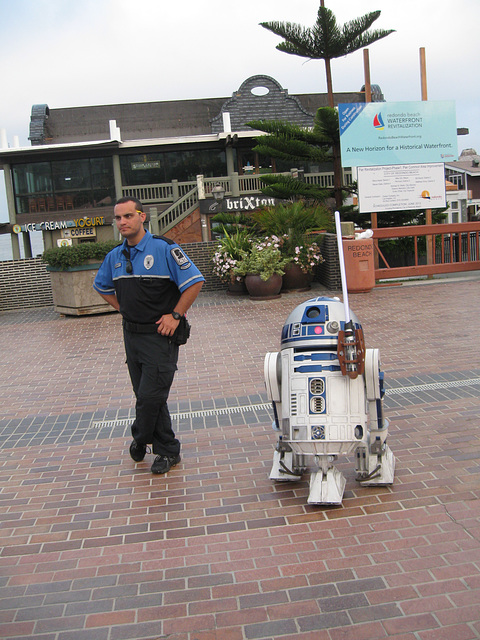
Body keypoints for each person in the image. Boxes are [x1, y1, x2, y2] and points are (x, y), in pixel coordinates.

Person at [93, 197, 204, 474]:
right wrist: (124, 309)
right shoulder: (114, 257)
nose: (122, 222)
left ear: (142, 217)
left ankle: (141, 438)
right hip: (131, 336)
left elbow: (195, 281)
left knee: (150, 396)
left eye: (128, 216)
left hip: (160, 336)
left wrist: (175, 315)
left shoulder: (165, 249)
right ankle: (166, 449)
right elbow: (102, 286)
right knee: (148, 395)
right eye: (118, 218)